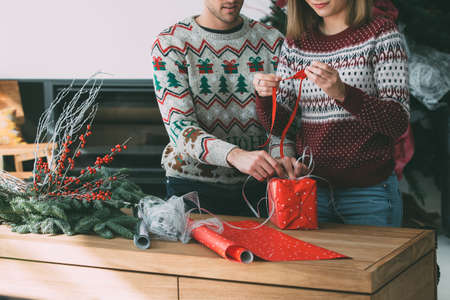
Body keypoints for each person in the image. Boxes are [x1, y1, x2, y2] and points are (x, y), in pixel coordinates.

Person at [253, 0, 409, 227]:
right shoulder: (297, 43)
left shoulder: (382, 34)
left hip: (370, 195)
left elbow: (397, 122)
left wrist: (343, 93)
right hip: (310, 192)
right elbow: (279, 126)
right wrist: (265, 97)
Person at [151, 0, 288, 216]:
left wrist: (284, 161)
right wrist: (235, 155)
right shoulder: (171, 43)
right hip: (192, 186)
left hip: (261, 186)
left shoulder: (273, 40)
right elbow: (180, 128)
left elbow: (285, 121)